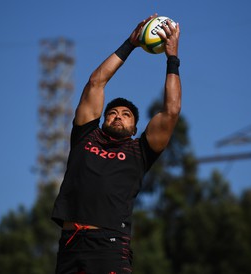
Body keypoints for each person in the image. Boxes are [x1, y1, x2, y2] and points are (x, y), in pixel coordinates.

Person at [52, 14, 181, 274]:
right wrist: (130, 44)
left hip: (109, 245)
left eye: (126, 114)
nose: (118, 116)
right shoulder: (86, 136)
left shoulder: (139, 151)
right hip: (70, 244)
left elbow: (171, 111)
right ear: (103, 119)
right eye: (112, 112)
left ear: (135, 127)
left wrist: (172, 59)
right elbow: (96, 82)